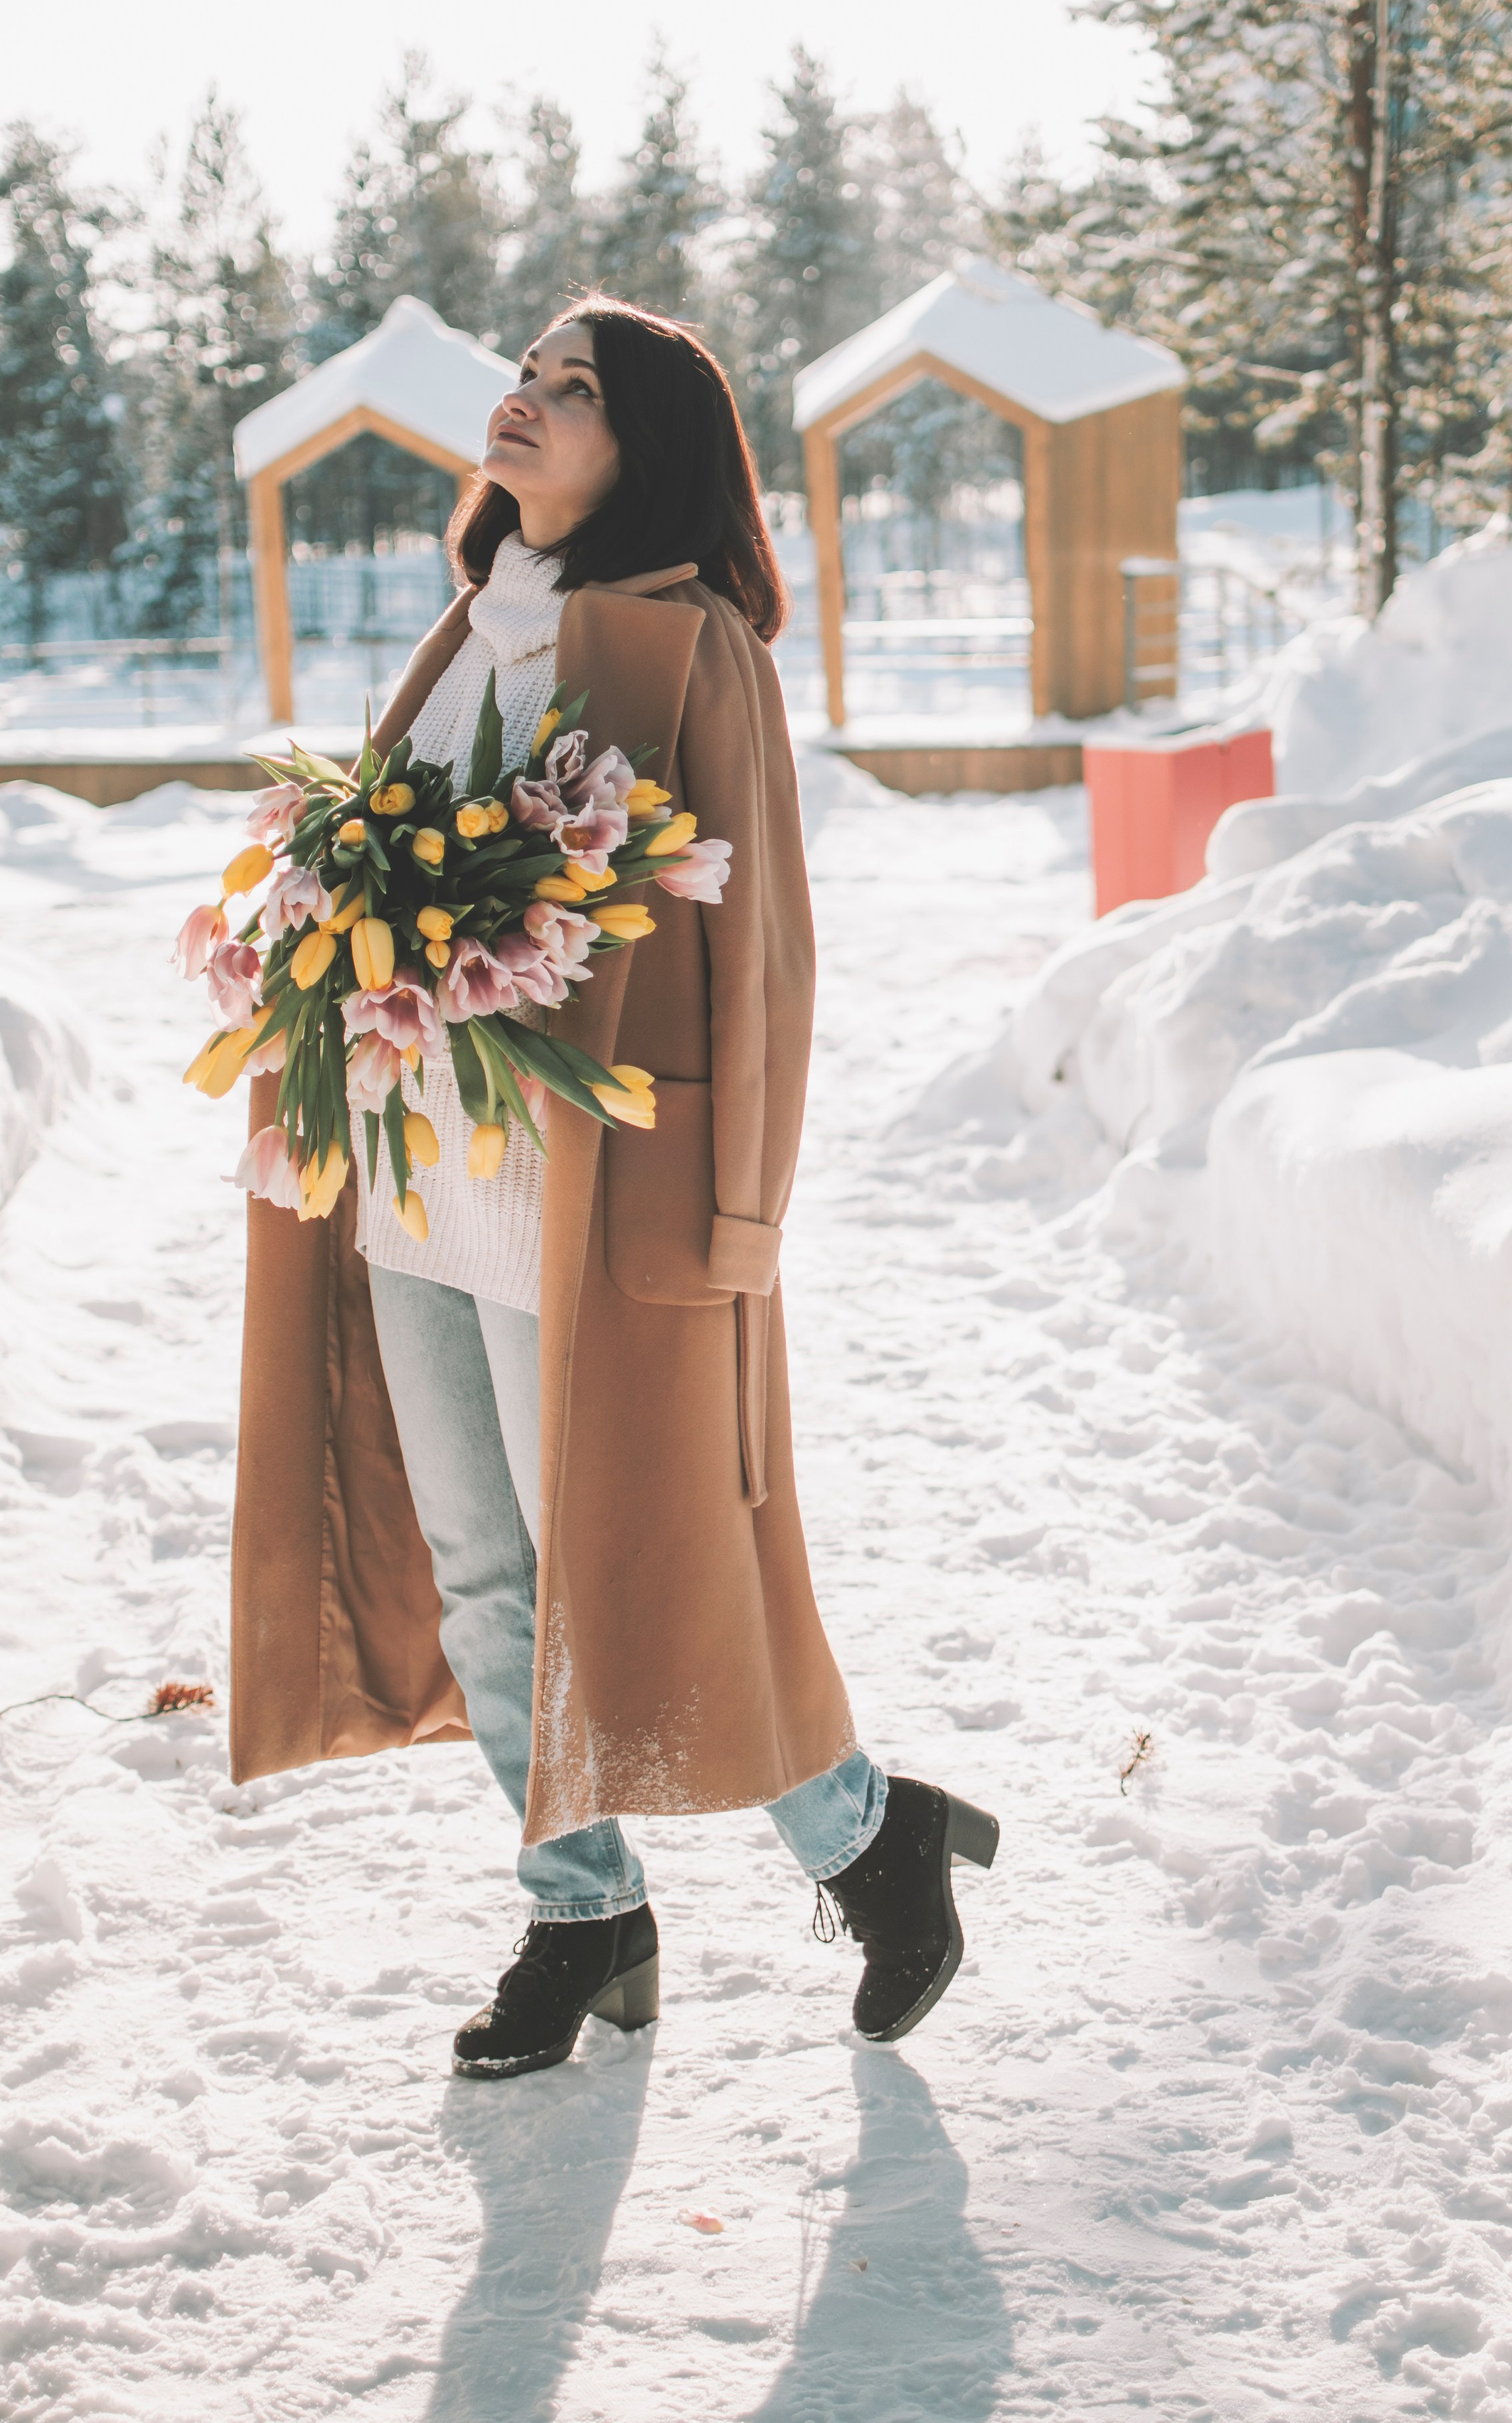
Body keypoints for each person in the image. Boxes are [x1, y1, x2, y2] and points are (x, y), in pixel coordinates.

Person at [228, 297, 997, 2079]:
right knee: (487, 1569)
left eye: (573, 392)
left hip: (592, 1195)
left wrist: (740, 1213)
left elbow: (766, 959)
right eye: (527, 374)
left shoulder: (685, 646)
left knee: (640, 1563)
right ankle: (583, 1913)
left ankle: (865, 1837)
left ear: (637, 449)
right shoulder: (464, 630)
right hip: (417, 1176)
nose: (526, 402)